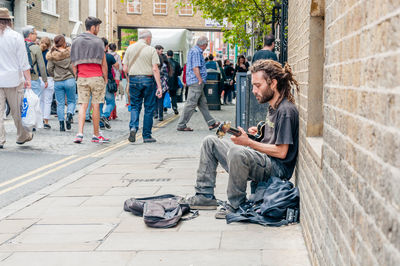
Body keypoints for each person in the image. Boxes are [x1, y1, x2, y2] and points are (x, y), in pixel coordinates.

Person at [186, 60, 300, 219]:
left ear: (273, 83)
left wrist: (248, 143)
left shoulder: (285, 110)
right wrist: (256, 134)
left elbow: (281, 152)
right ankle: (204, 196)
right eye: (253, 85)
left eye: (258, 85)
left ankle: (236, 204)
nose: (253, 90)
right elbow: (272, 138)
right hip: (263, 160)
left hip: (276, 169)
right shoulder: (273, 107)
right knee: (210, 142)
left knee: (237, 152)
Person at [71, 16, 109, 144]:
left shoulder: (76, 41)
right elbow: (104, 64)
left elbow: (73, 63)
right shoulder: (99, 42)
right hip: (97, 77)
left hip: (82, 77)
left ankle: (80, 133)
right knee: (96, 106)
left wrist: (77, 75)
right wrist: (106, 78)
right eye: (98, 27)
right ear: (93, 27)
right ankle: (96, 134)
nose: (98, 30)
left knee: (83, 105)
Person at [0, 8, 33, 148]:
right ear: (9, 20)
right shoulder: (15, 36)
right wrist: (28, 80)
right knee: (17, 111)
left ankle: (0, 139)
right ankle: (22, 136)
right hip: (13, 80)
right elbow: (23, 62)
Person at [123, 30, 163, 143]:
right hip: (148, 80)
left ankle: (133, 127)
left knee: (135, 106)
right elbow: (155, 69)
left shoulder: (129, 49)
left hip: (134, 80)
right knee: (149, 108)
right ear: (148, 38)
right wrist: (159, 87)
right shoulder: (151, 50)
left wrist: (129, 79)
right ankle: (146, 136)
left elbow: (125, 68)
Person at [176, 36, 220, 132]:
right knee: (191, 103)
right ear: (204, 45)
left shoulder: (194, 50)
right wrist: (200, 79)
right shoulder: (196, 52)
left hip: (196, 81)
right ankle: (181, 124)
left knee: (202, 103)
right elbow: (195, 67)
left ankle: (211, 123)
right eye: (207, 44)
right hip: (196, 81)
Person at [47, 35, 77, 132]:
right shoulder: (69, 53)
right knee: (71, 101)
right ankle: (69, 115)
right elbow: (73, 66)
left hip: (58, 81)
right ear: (64, 42)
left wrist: (54, 75)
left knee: (60, 103)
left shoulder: (52, 55)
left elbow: (49, 69)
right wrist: (73, 75)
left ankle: (61, 126)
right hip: (69, 79)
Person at [22, 26, 48, 99]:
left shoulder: (19, 45)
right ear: (30, 34)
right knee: (35, 102)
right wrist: (45, 80)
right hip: (33, 78)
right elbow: (41, 65)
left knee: (23, 103)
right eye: (35, 33)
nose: (36, 35)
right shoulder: (36, 47)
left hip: (21, 79)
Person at [99, 37, 118, 130]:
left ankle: (101, 122)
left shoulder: (94, 56)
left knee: (100, 102)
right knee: (111, 102)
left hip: (97, 80)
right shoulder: (109, 56)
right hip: (108, 80)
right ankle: (105, 116)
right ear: (106, 46)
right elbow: (118, 66)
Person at [39, 37, 54, 129]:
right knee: (48, 101)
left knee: (40, 100)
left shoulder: (37, 53)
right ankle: (46, 121)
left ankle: (40, 119)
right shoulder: (51, 54)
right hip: (49, 78)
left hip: (39, 78)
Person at [155, 54, 171, 121]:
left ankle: (156, 114)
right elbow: (166, 76)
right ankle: (160, 116)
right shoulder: (164, 66)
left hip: (157, 84)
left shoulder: (154, 66)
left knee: (156, 100)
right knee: (160, 101)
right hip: (162, 84)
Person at [166, 50, 182, 115]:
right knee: (173, 96)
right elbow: (179, 73)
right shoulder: (176, 63)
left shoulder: (164, 63)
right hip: (174, 82)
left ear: (167, 55)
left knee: (165, 95)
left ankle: (164, 107)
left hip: (166, 82)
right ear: (172, 55)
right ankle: (175, 107)